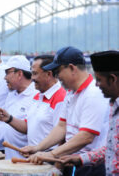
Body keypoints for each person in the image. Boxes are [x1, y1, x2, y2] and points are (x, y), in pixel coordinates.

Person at [27, 47, 109, 176]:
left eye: (58, 71)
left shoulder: (92, 93)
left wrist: (52, 154)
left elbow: (86, 136)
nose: (57, 76)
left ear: (72, 68)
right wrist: (38, 148)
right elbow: (61, 126)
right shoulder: (70, 92)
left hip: (91, 166)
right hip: (73, 161)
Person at [0, 55, 66, 158]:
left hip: (49, 162)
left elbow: (62, 138)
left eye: (35, 73)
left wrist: (56, 167)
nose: (32, 78)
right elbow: (28, 126)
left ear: (49, 74)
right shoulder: (38, 96)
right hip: (35, 160)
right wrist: (8, 119)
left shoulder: (61, 98)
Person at [60, 51, 119, 176]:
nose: (97, 84)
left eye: (99, 80)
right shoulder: (114, 105)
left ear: (112, 79)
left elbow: (87, 136)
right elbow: (111, 149)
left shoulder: (94, 95)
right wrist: (81, 159)